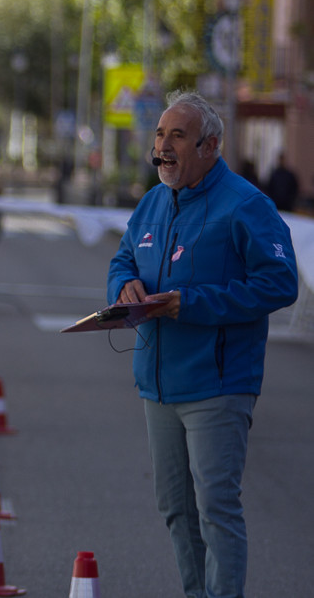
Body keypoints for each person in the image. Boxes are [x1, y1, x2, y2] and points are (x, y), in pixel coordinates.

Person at [107, 91, 298, 598]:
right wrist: (123, 287)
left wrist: (190, 302)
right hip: (157, 383)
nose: (163, 147)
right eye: (159, 135)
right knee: (175, 507)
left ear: (211, 145)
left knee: (216, 508)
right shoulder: (152, 202)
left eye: (177, 136)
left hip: (218, 384)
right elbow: (123, 260)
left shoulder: (246, 205)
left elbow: (280, 283)